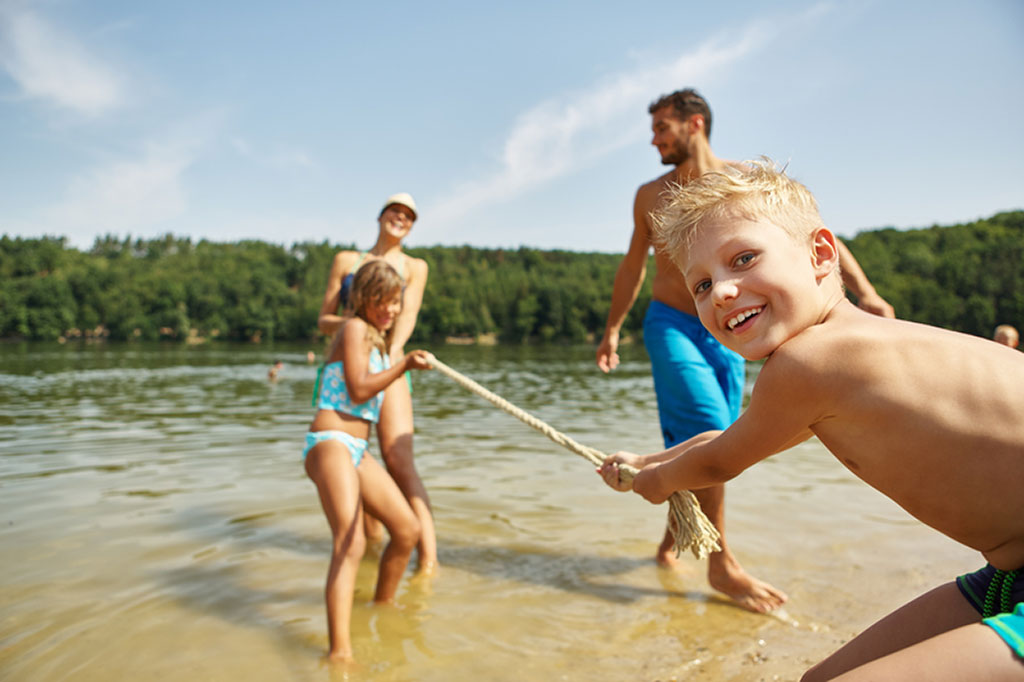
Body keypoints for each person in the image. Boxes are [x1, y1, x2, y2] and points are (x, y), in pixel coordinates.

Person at [598, 160, 1024, 681]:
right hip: (1009, 575)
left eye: (744, 258)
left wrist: (658, 481)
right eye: (702, 285)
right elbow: (734, 438)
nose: (723, 291)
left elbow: (722, 460)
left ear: (821, 254)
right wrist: (647, 459)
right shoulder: (836, 363)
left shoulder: (810, 364)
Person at [595, 88, 894, 613]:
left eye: (662, 127)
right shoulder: (649, 195)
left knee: (719, 437)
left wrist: (865, 293)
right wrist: (613, 327)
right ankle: (721, 565)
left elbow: (808, 232)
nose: (654, 139)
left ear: (696, 124)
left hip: (736, 327)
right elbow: (632, 267)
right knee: (708, 422)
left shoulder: (742, 181)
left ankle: (675, 539)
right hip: (671, 323)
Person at [305, 259, 434, 662]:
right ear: (364, 298)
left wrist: (400, 361)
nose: (392, 310)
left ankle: (382, 607)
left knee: (407, 529)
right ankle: (339, 653)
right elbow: (359, 390)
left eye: (397, 303)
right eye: (385, 301)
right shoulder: (354, 328)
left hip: (356, 451)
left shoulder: (376, 340)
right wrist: (405, 366)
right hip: (331, 442)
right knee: (351, 540)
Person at [317, 193, 437, 572]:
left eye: (409, 216)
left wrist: (391, 354)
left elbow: (408, 315)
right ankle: (372, 549)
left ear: (412, 226)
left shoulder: (415, 266)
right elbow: (324, 319)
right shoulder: (346, 261)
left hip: (390, 362)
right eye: (394, 211)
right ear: (381, 215)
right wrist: (360, 332)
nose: (400, 218)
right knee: (355, 453)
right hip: (346, 363)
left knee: (398, 459)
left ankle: (428, 558)